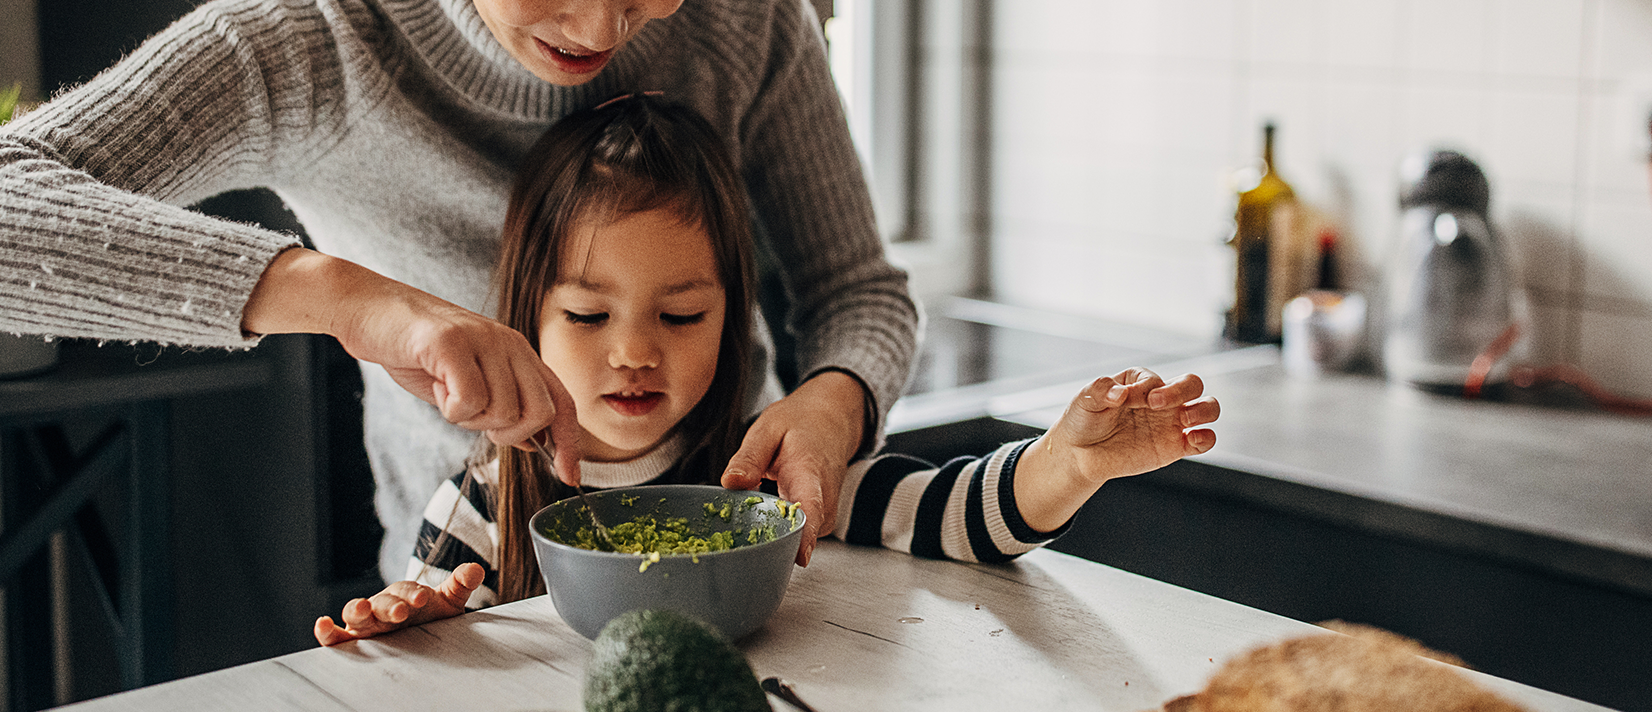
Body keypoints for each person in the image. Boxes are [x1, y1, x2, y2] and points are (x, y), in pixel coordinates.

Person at [0, 0, 917, 579]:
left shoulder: (746, 22)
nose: (599, 28)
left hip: (743, 561)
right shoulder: (306, 42)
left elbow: (858, 290)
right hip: (470, 589)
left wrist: (838, 403)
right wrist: (349, 302)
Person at [311, 95, 1220, 644]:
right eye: (588, 315)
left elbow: (952, 519)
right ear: (525, 322)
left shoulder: (768, 478)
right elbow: (434, 631)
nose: (634, 350)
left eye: (681, 314)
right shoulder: (480, 502)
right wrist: (415, 625)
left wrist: (1068, 461)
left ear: (737, 320)